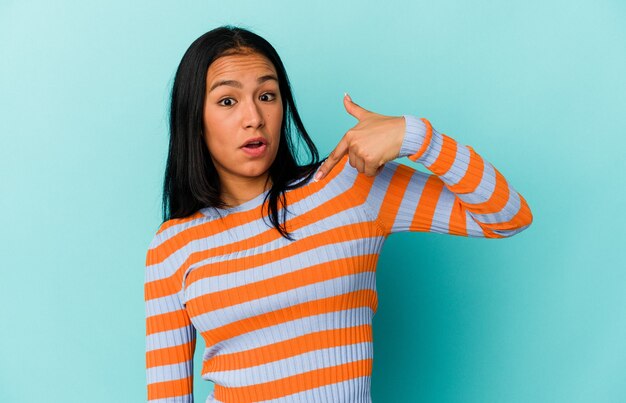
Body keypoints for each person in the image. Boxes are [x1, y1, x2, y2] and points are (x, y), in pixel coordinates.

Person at [144, 25, 533, 403]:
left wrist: (418, 137)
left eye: (267, 95)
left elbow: (507, 215)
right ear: (195, 119)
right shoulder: (172, 247)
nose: (254, 118)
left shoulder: (350, 184)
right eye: (228, 101)